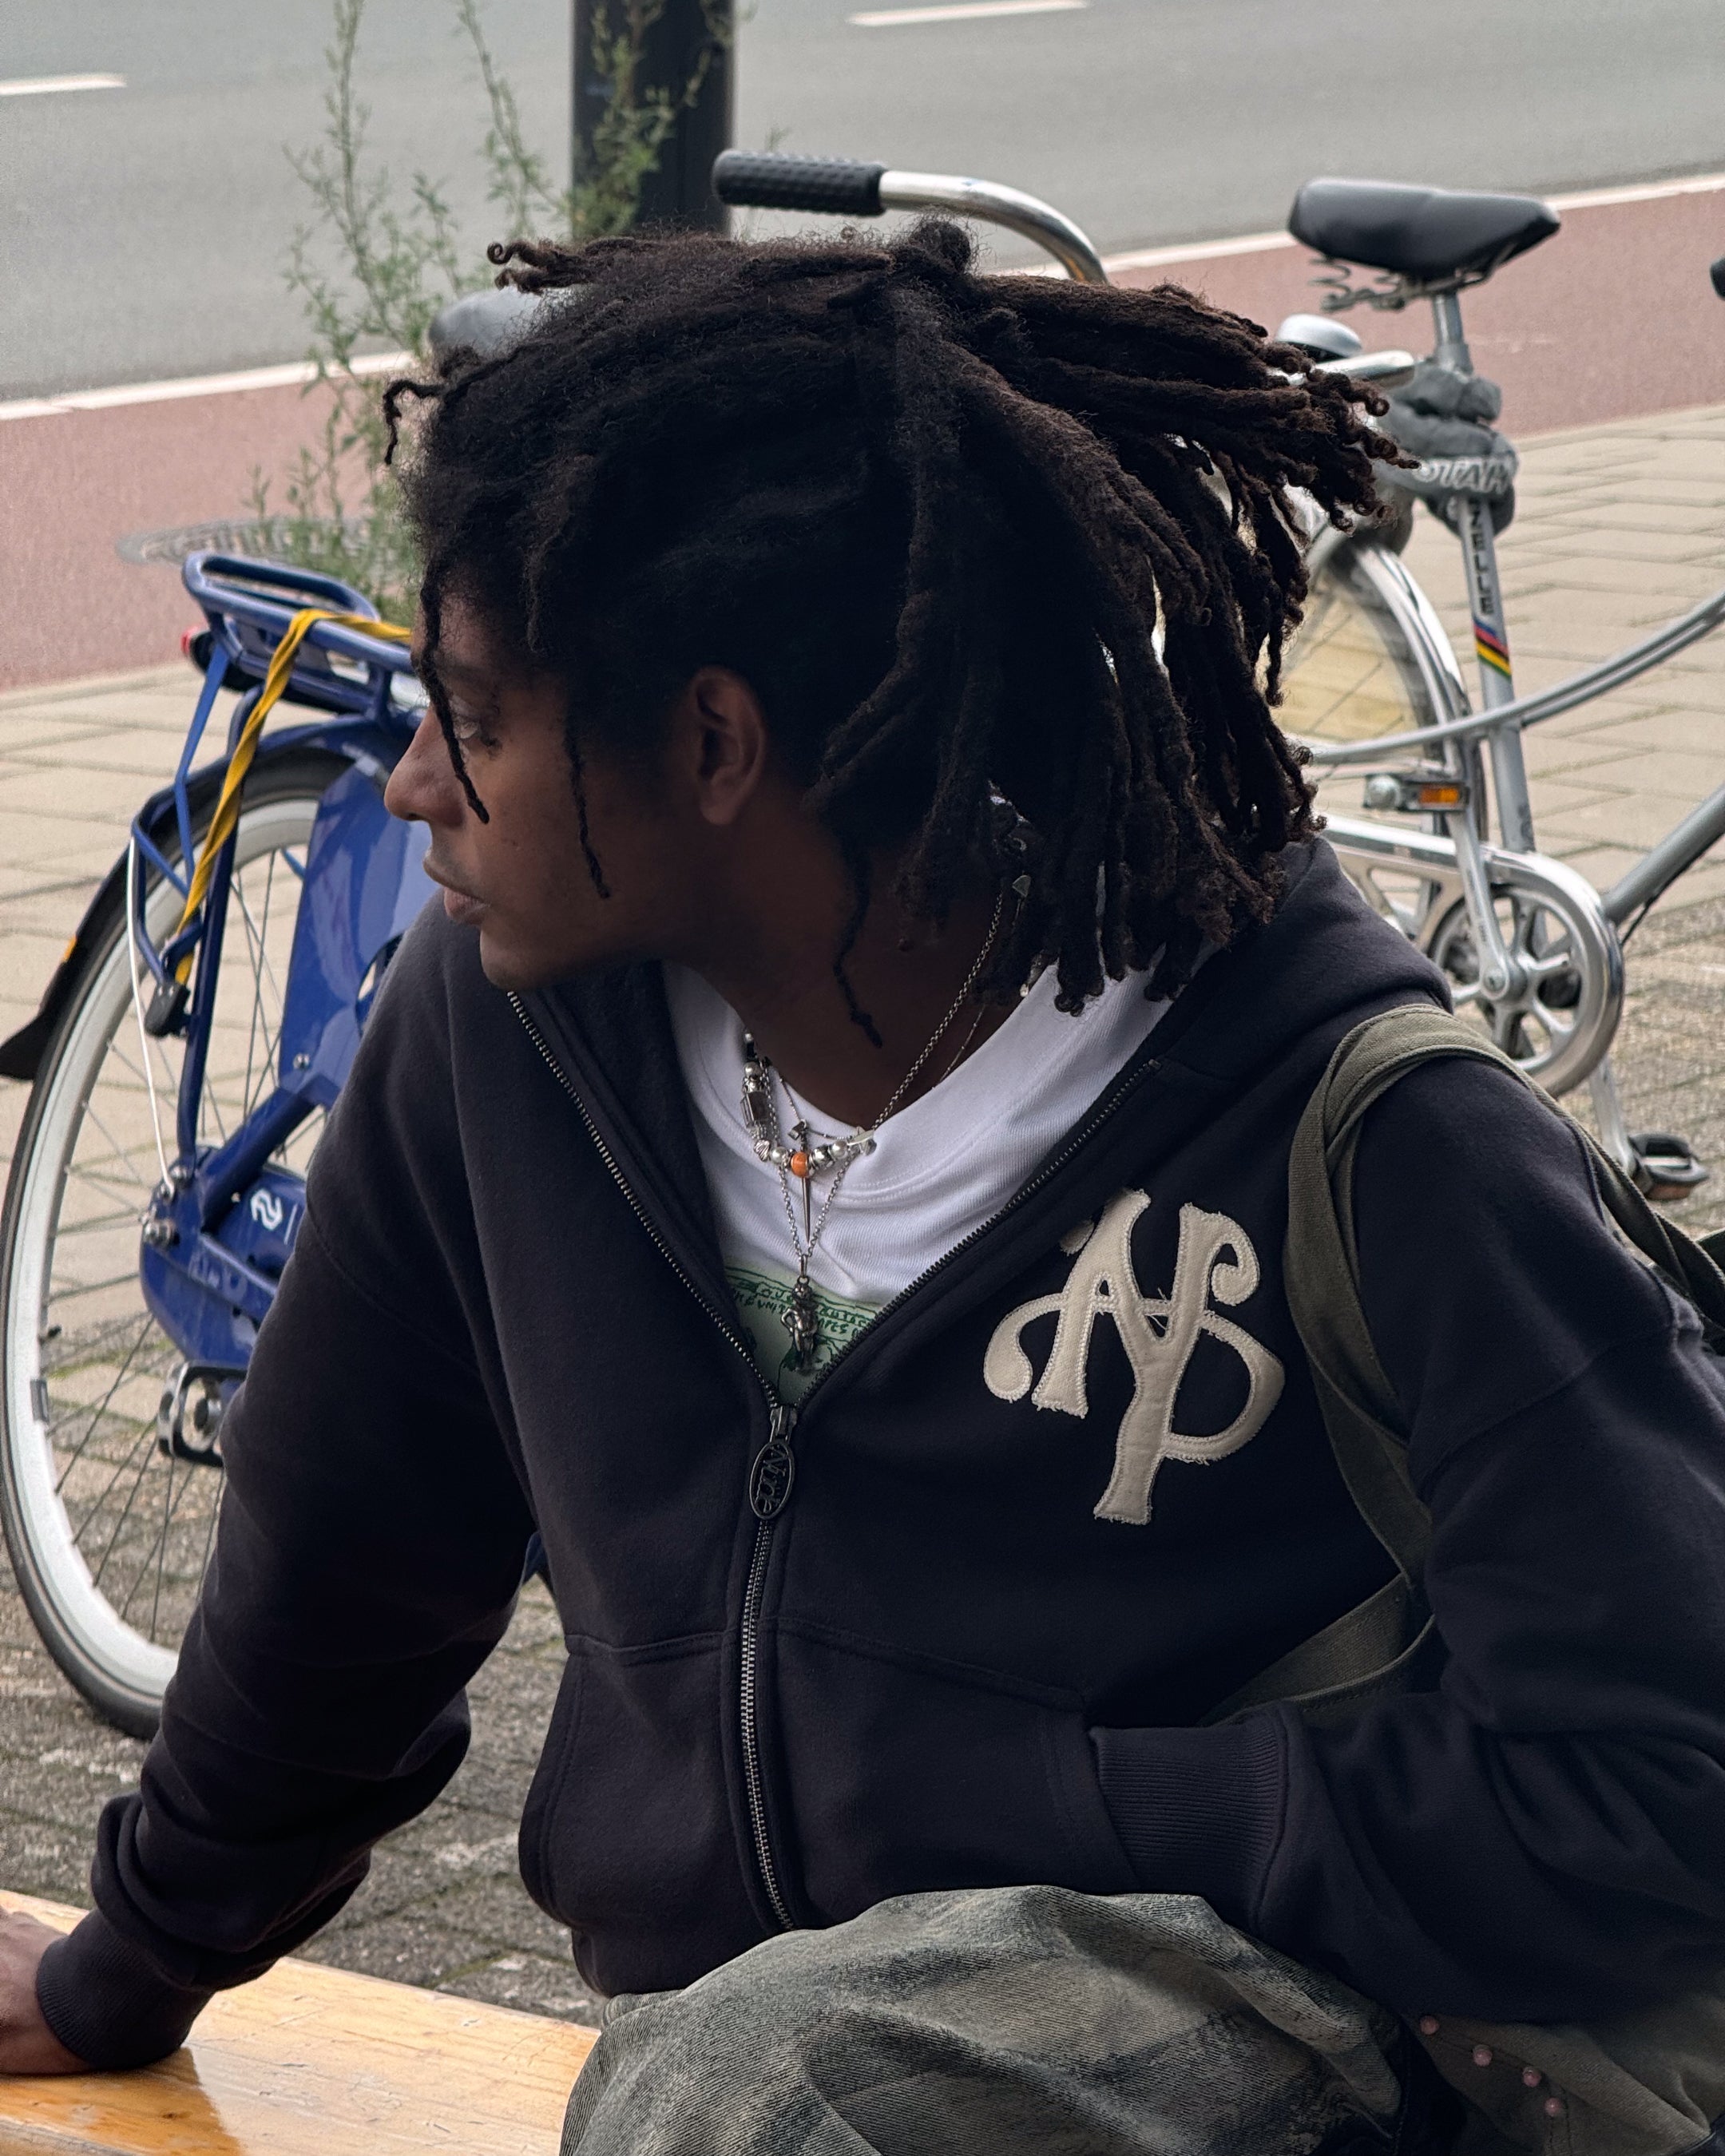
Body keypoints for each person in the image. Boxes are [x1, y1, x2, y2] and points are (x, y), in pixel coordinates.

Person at [3, 221, 1724, 2154]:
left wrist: (1078, 1803)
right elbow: (342, 1567)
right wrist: (126, 1965)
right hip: (742, 2066)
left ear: (714, 745)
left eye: (474, 724)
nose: (412, 788)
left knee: (766, 2095)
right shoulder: (501, 1032)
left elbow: (1671, 1772)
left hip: (1279, 2023)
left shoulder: (1357, 1126)